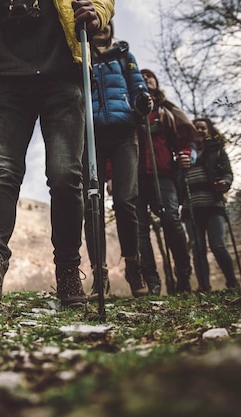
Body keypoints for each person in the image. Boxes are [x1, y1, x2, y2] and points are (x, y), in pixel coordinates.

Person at [0, 0, 115, 312]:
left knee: (65, 176)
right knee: (3, 172)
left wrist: (99, 12)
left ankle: (67, 273)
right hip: (7, 77)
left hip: (63, 74)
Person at [82, 21, 151, 301]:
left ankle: (133, 266)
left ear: (109, 25)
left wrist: (143, 102)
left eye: (103, 23)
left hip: (124, 133)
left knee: (125, 200)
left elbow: (138, 87)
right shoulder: (81, 55)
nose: (99, 29)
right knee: (92, 203)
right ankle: (99, 274)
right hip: (92, 135)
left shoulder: (123, 54)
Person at [136, 69, 197, 295]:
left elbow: (184, 140)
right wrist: (112, 176)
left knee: (171, 220)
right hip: (133, 176)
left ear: (156, 82)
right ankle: (151, 280)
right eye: (141, 76)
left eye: (149, 76)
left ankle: (183, 275)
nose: (145, 79)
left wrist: (185, 155)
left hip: (163, 175)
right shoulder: (128, 109)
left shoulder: (167, 111)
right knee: (138, 230)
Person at [182, 117, 240, 291]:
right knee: (197, 248)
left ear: (209, 132)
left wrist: (224, 183)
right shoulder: (183, 153)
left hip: (214, 206)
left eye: (203, 128)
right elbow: (177, 177)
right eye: (196, 128)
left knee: (217, 245)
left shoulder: (217, 151)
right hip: (191, 209)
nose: (199, 131)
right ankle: (203, 286)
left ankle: (232, 282)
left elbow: (228, 173)